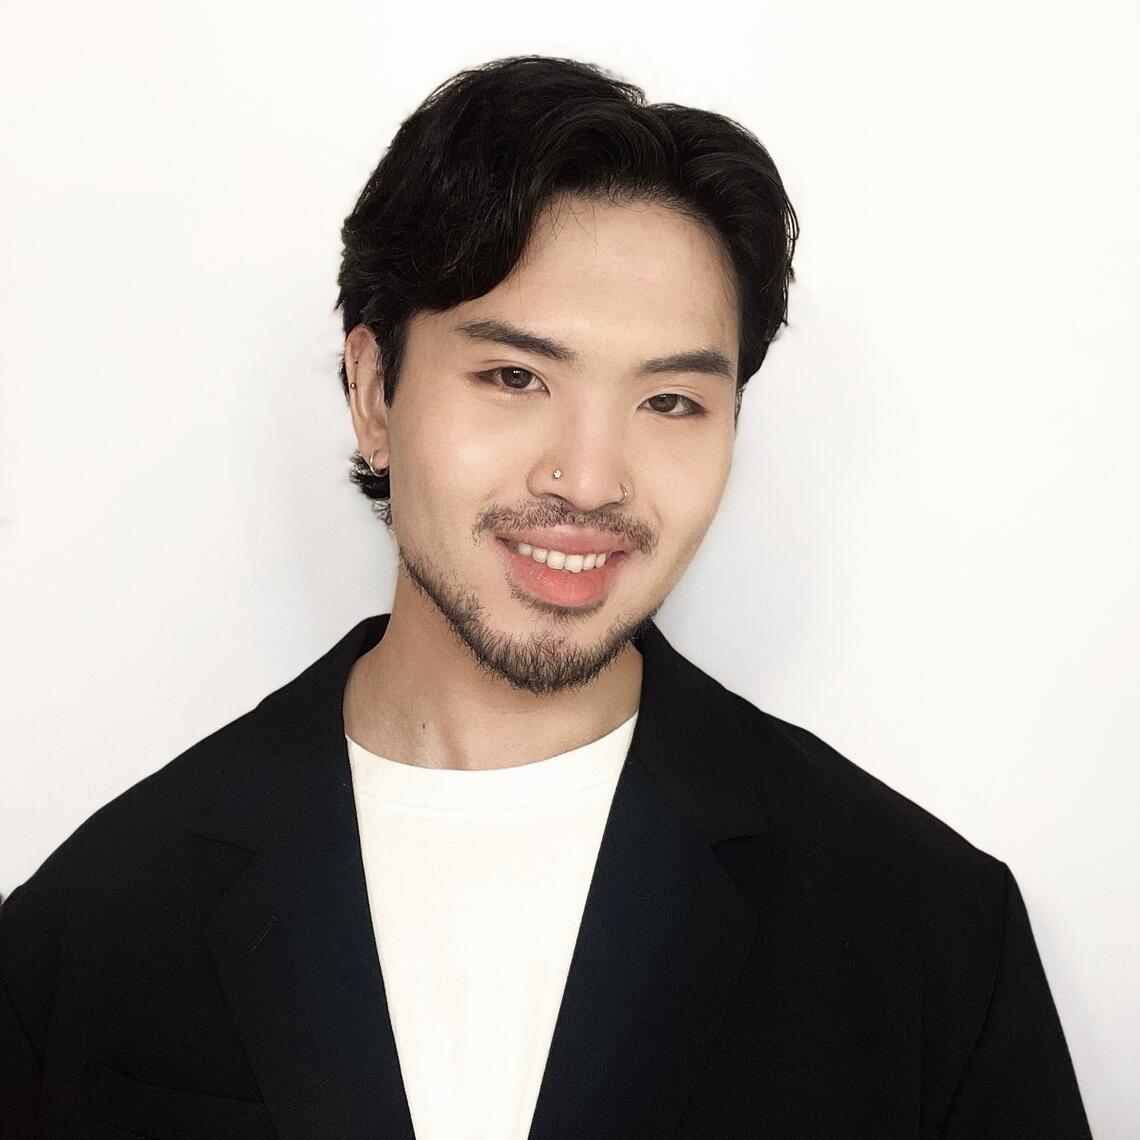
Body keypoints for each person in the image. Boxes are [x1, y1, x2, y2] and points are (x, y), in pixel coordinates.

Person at [0, 55, 1090, 1139]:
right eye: (516, 379)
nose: (589, 478)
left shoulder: (928, 938)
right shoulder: (95, 925)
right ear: (374, 392)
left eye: (669, 400)